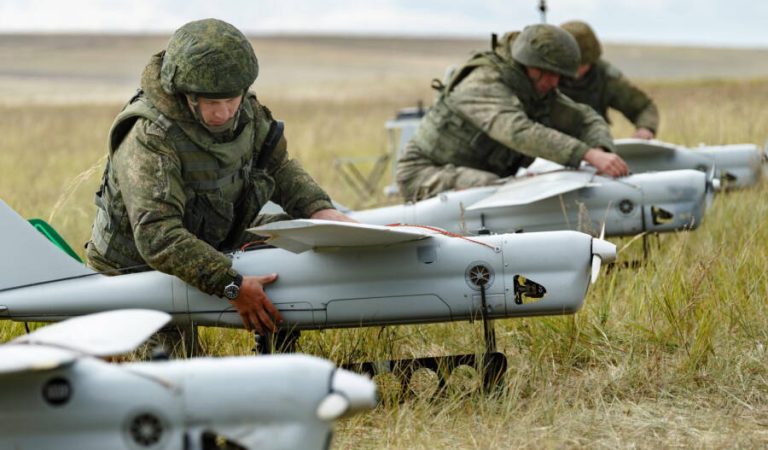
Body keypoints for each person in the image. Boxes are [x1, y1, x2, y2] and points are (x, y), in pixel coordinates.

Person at [86, 18, 353, 339]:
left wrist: (320, 211)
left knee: (292, 245)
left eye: (232, 100)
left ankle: (280, 347)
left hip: (212, 235)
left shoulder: (249, 113)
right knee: (174, 377)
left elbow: (279, 168)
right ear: (185, 93)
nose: (224, 113)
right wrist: (232, 286)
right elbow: (158, 236)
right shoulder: (150, 134)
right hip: (135, 273)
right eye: (213, 103)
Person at [396, 24, 629, 202]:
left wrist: (600, 150)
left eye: (559, 75)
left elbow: (586, 119)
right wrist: (586, 154)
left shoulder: (534, 89)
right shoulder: (482, 82)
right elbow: (517, 131)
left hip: (479, 172)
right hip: (423, 172)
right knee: (490, 189)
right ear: (528, 64)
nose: (553, 82)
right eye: (548, 73)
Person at [559, 20, 659, 140]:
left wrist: (645, 129)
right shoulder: (543, 74)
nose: (576, 71)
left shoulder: (605, 77)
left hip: (595, 147)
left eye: (583, 64)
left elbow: (643, 107)